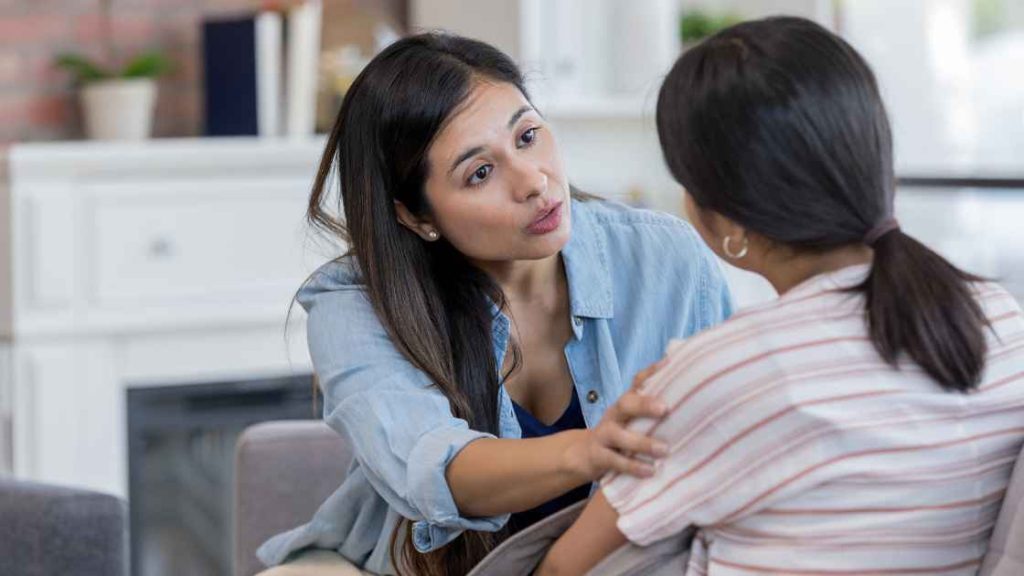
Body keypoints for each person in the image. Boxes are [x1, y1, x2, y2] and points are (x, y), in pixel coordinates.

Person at [538, 16, 1024, 576]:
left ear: (722, 218)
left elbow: (564, 569)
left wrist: (682, 395)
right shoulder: (998, 319)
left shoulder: (723, 372)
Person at [256, 32, 732, 576]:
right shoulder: (354, 303)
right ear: (416, 217)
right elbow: (429, 465)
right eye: (480, 173)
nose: (534, 181)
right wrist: (590, 449)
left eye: (528, 136)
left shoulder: (664, 258)